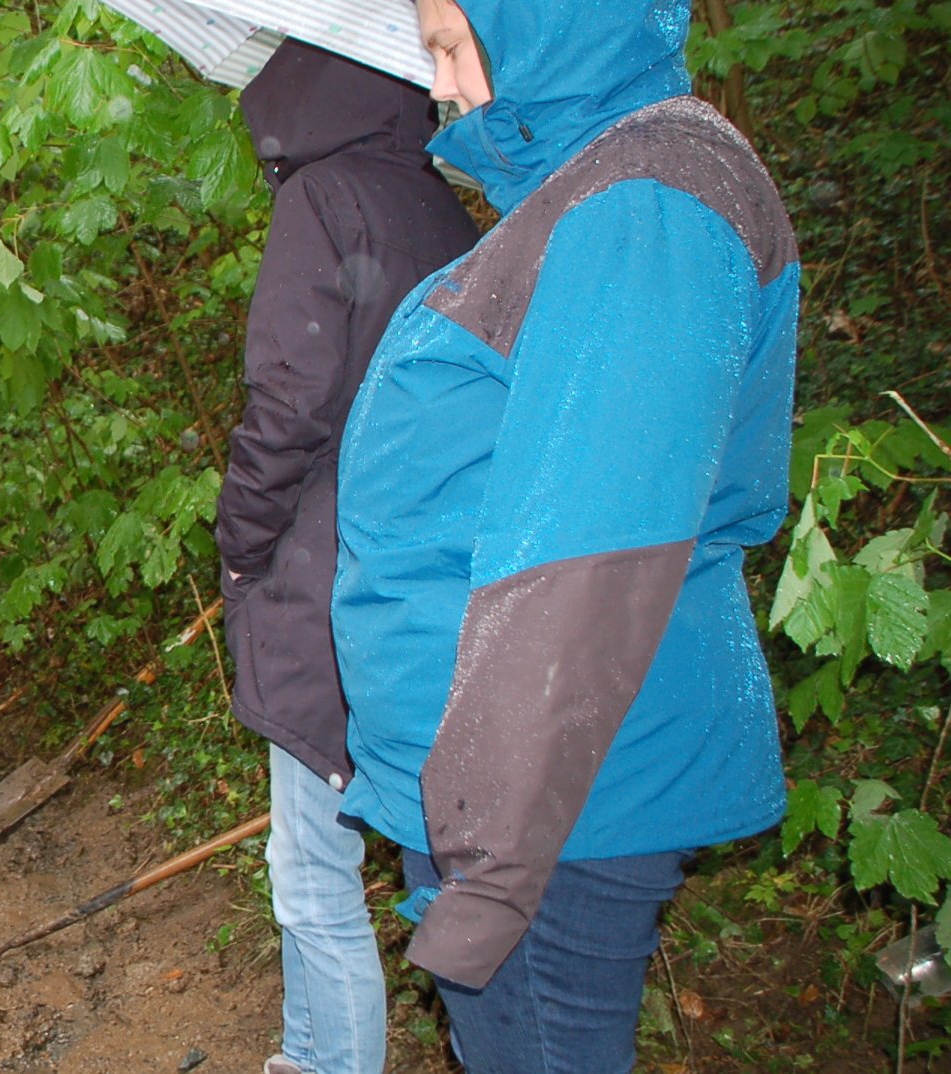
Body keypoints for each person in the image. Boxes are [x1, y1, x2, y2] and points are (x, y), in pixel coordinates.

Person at [331, 1, 799, 1070]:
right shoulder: (598, 192)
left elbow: (584, 567)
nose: (439, 88)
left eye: (450, 48)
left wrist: (490, 867)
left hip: (552, 806)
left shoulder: (649, 204)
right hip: (531, 790)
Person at [213, 40, 478, 1074]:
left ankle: (327, 1064)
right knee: (376, 847)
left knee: (312, 866)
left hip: (326, 575)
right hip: (424, 578)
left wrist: (242, 540)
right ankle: (300, 1053)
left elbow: (289, 401)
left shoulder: (323, 199)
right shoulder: (442, 208)